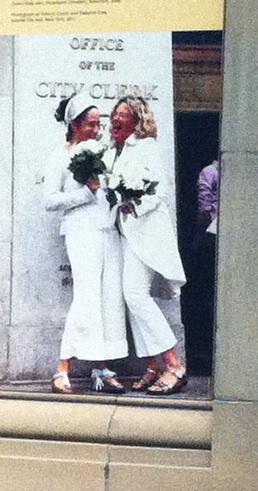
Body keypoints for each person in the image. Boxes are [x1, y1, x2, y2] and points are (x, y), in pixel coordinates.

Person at [108, 96, 189, 394]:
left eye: (123, 113)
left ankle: (174, 364)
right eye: (115, 113)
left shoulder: (146, 147)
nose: (116, 117)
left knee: (135, 295)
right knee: (132, 298)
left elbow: (160, 189)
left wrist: (133, 205)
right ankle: (153, 365)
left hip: (146, 232)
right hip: (127, 233)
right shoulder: (115, 149)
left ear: (137, 120)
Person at [46, 97, 126, 392]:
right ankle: (62, 368)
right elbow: (49, 201)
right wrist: (86, 193)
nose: (96, 129)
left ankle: (101, 368)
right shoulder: (60, 156)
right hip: (81, 233)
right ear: (75, 125)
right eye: (91, 124)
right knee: (86, 297)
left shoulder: (103, 153)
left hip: (108, 231)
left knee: (109, 298)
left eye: (98, 123)